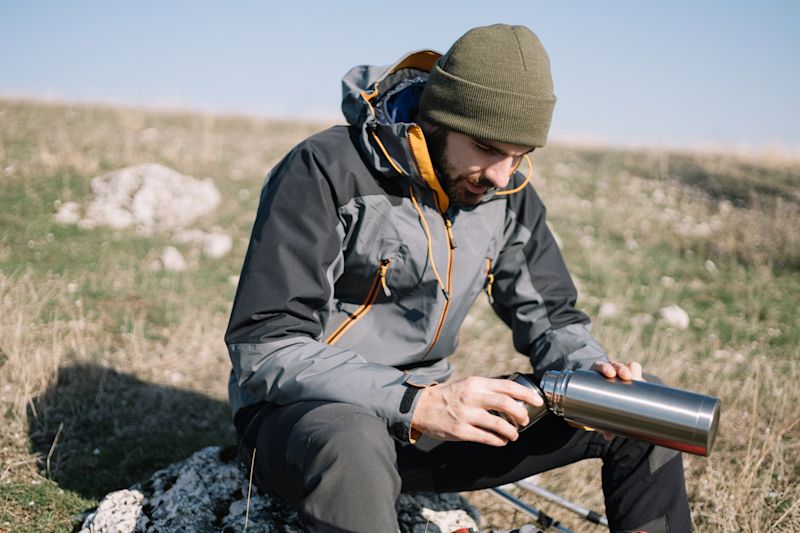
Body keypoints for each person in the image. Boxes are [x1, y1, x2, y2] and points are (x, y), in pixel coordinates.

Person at [226, 24, 691, 532]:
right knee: (352, 436)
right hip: (307, 424)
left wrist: (595, 372)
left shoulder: (506, 194)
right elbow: (265, 346)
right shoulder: (325, 169)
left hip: (428, 425)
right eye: (489, 148)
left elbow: (553, 320)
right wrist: (416, 402)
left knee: (639, 412)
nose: (501, 175)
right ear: (439, 118)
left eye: (521, 155)